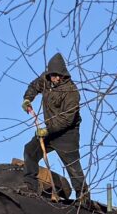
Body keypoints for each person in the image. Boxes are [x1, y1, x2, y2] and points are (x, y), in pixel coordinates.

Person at [21, 53, 87, 203]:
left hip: (67, 134)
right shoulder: (46, 79)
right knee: (30, 150)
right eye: (53, 75)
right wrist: (27, 99)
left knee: (73, 167)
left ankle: (83, 198)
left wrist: (47, 130)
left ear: (63, 74)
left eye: (58, 75)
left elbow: (66, 120)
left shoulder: (71, 92)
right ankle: (30, 186)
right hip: (49, 131)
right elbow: (34, 86)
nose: (55, 78)